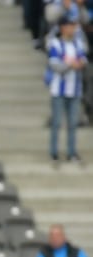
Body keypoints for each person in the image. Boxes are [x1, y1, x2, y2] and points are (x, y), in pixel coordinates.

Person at [47, 16, 87, 163]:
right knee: (57, 122)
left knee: (72, 123)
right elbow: (55, 65)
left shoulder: (78, 43)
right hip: (58, 90)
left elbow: (83, 60)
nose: (73, 29)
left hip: (75, 90)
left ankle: (71, 152)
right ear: (63, 27)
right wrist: (71, 65)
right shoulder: (55, 43)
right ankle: (54, 152)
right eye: (70, 26)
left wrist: (72, 63)